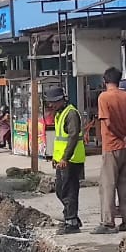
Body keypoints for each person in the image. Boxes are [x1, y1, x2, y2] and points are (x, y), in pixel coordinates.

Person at [95, 68, 126, 234]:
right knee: (124, 185)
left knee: (107, 185)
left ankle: (108, 222)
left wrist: (122, 137)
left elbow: (108, 123)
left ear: (105, 80)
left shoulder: (104, 97)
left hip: (112, 146)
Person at [45, 86, 85, 234]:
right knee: (60, 190)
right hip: (63, 159)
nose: (52, 105)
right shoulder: (60, 114)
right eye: (50, 102)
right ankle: (71, 216)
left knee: (69, 190)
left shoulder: (71, 114)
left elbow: (73, 136)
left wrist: (65, 158)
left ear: (62, 100)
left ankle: (71, 222)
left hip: (71, 159)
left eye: (54, 102)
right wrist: (57, 158)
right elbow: (61, 139)